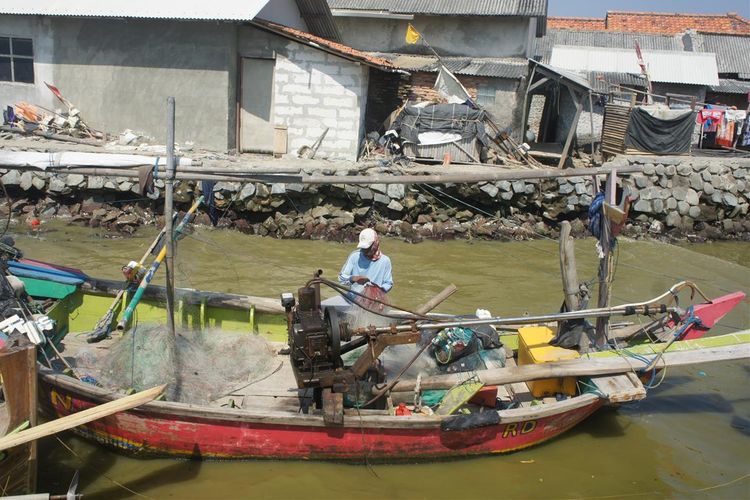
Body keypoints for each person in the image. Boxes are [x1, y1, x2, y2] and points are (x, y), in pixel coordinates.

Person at [338, 228, 393, 301]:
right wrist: (354, 278)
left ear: (375, 243)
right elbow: (341, 278)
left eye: (368, 247)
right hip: (353, 300)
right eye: (363, 248)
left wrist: (378, 292)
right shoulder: (355, 256)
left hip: (374, 301)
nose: (365, 250)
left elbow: (388, 283)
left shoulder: (385, 261)